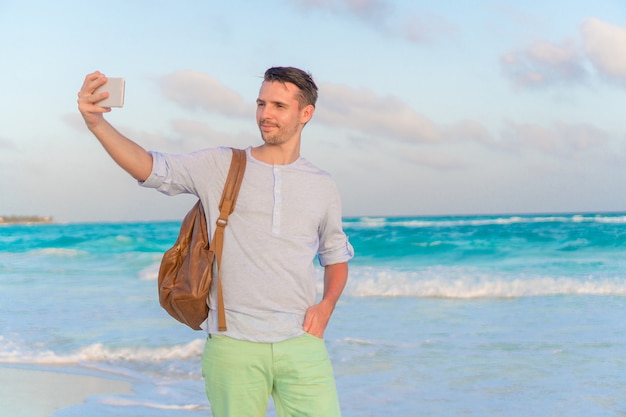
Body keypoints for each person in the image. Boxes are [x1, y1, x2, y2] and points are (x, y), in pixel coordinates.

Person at [77, 66, 354, 417]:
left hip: (302, 342)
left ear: (306, 114)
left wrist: (326, 306)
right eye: (261, 103)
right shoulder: (221, 165)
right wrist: (96, 124)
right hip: (232, 345)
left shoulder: (322, 184)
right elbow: (151, 168)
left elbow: (335, 256)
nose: (265, 115)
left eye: (279, 106)